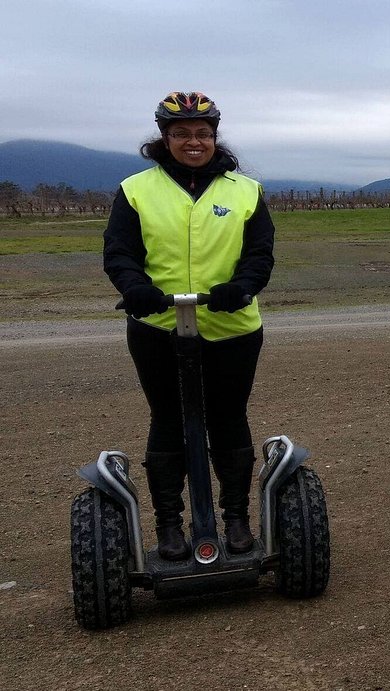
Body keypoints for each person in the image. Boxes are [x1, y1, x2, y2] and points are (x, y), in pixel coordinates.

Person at [103, 91, 275, 560]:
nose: (193, 141)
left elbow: (260, 254)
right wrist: (134, 287)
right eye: (181, 134)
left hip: (231, 325)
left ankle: (237, 520)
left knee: (228, 418)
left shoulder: (246, 190)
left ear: (215, 137)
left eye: (203, 133)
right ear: (165, 138)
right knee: (168, 420)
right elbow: (119, 251)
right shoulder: (136, 189)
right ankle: (169, 528)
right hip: (158, 324)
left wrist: (241, 287)